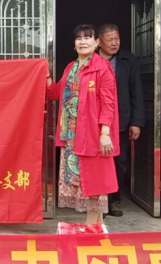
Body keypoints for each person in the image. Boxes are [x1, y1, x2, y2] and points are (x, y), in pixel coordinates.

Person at [47, 24, 119, 228]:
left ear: (97, 43)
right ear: (74, 43)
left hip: (92, 134)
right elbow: (56, 93)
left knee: (94, 182)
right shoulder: (70, 67)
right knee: (84, 181)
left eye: (87, 38)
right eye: (79, 38)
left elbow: (108, 103)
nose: (82, 42)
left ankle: (91, 228)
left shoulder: (102, 67)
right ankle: (96, 227)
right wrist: (45, 76)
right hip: (71, 134)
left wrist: (105, 132)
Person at [96, 23, 144, 217]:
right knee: (96, 162)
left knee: (119, 162)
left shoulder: (127, 60)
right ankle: (97, 202)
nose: (114, 43)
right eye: (110, 40)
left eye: (117, 39)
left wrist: (136, 122)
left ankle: (114, 200)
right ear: (99, 42)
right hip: (95, 122)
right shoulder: (89, 59)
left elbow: (136, 92)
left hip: (121, 121)